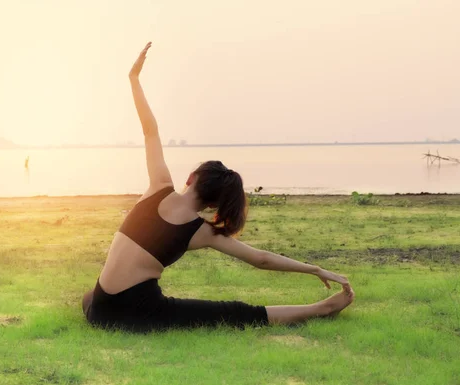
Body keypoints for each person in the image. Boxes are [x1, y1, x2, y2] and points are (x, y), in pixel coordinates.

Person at [82, 42, 354, 333]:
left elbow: (150, 130)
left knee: (115, 298)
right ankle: (322, 308)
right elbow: (260, 259)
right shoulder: (200, 230)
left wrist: (133, 79)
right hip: (137, 314)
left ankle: (321, 308)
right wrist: (313, 268)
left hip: (98, 307)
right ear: (213, 205)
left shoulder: (158, 186)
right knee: (232, 313)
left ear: (191, 177)